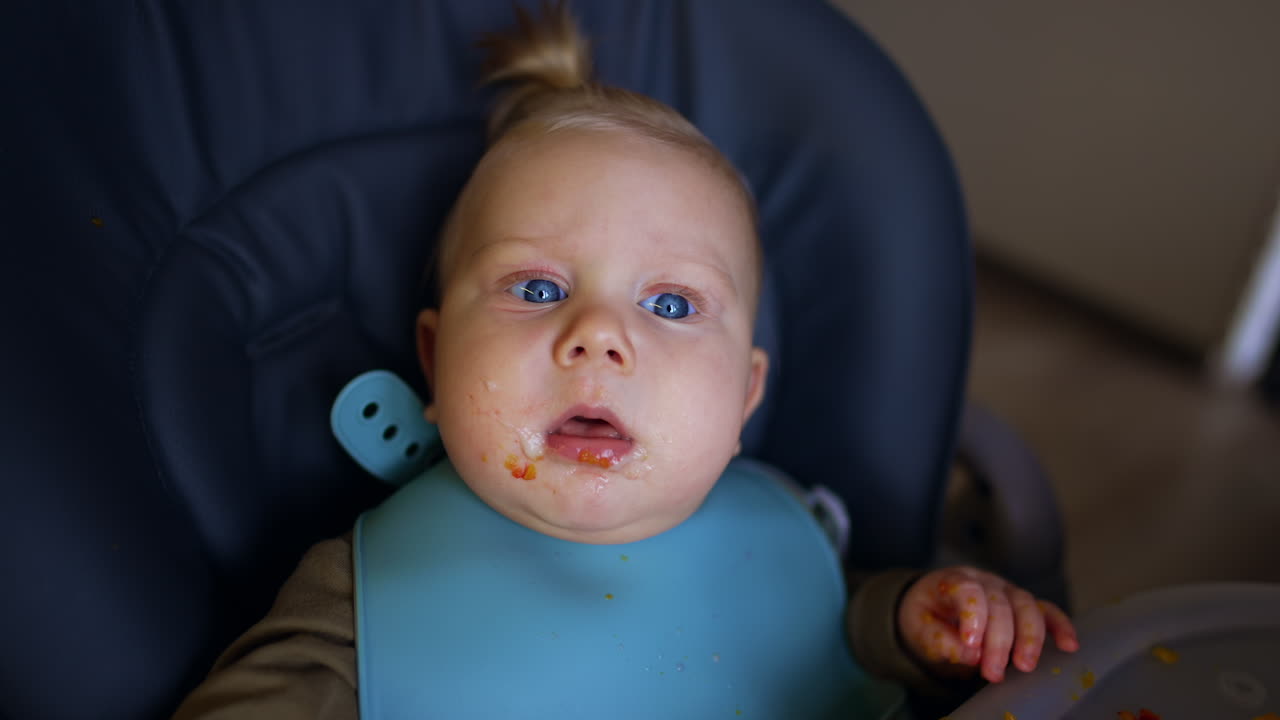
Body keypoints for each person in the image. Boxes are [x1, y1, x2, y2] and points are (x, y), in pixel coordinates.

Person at [172, 4, 1077, 718]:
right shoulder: (363, 604)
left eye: (672, 305)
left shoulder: (788, 530)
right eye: (535, 289)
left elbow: (824, 629)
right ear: (436, 361)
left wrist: (909, 624)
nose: (598, 336)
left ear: (745, 398)